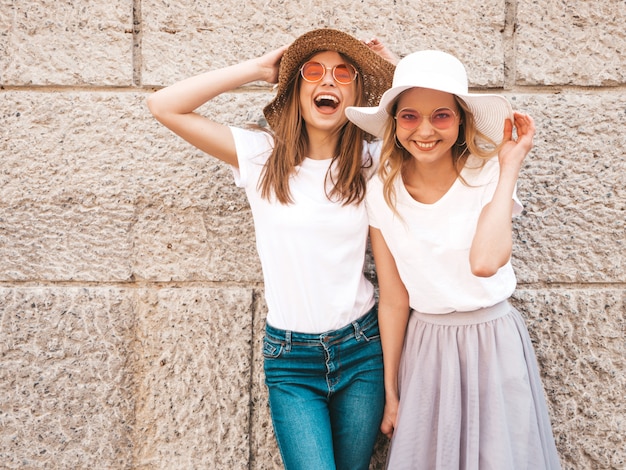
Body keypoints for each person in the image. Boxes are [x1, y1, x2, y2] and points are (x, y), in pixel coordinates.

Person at [147, 29, 396, 470]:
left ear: (357, 93)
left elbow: (453, 133)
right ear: (297, 92)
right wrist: (257, 70)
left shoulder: (370, 160)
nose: (328, 82)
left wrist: (394, 71)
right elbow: (164, 105)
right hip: (290, 360)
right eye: (313, 71)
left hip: (362, 351)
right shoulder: (262, 155)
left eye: (343, 74)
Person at [345, 50, 561, 469]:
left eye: (441, 115)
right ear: (393, 123)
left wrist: (510, 166)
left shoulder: (487, 176)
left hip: (493, 342)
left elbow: (485, 261)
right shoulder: (381, 192)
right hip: (426, 347)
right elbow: (393, 298)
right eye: (408, 116)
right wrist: (392, 391)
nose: (424, 130)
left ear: (461, 120)